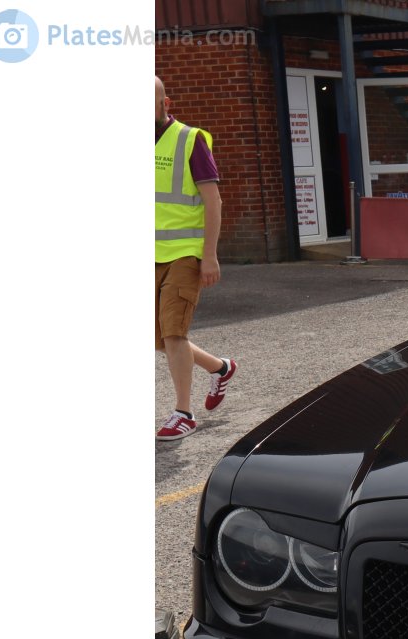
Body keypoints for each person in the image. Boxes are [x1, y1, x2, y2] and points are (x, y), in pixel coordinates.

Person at [156, 75, 237, 441]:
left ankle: (183, 413)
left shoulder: (190, 140)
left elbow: (213, 201)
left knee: (174, 333)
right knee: (158, 337)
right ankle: (220, 368)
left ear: (165, 103)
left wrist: (209, 256)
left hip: (186, 253)